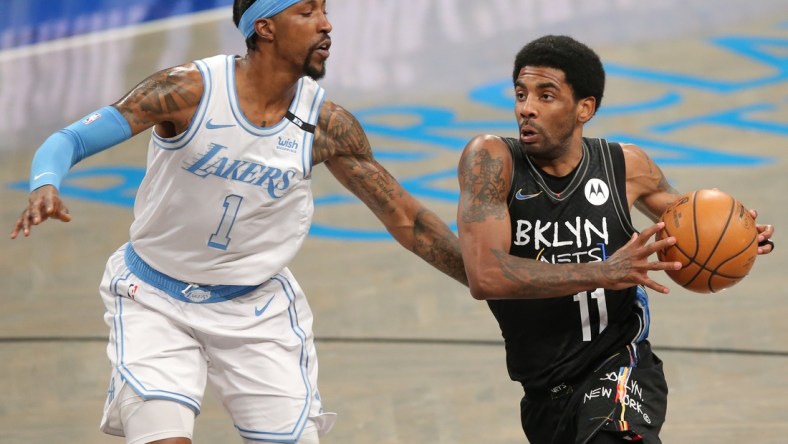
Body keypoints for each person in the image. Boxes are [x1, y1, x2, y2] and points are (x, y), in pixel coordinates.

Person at [10, 1, 467, 443]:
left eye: (325, 10)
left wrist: (481, 279)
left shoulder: (326, 125)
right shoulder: (189, 90)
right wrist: (45, 184)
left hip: (256, 310)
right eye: (307, 12)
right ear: (264, 27)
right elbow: (69, 138)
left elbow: (408, 221)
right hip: (153, 296)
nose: (326, 24)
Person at [456, 35, 775, 444]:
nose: (526, 108)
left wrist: (740, 235)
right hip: (544, 393)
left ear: (584, 108)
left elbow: (690, 221)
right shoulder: (493, 160)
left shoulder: (625, 166)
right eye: (521, 94)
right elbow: (485, 275)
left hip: (620, 367)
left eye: (546, 95)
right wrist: (604, 271)